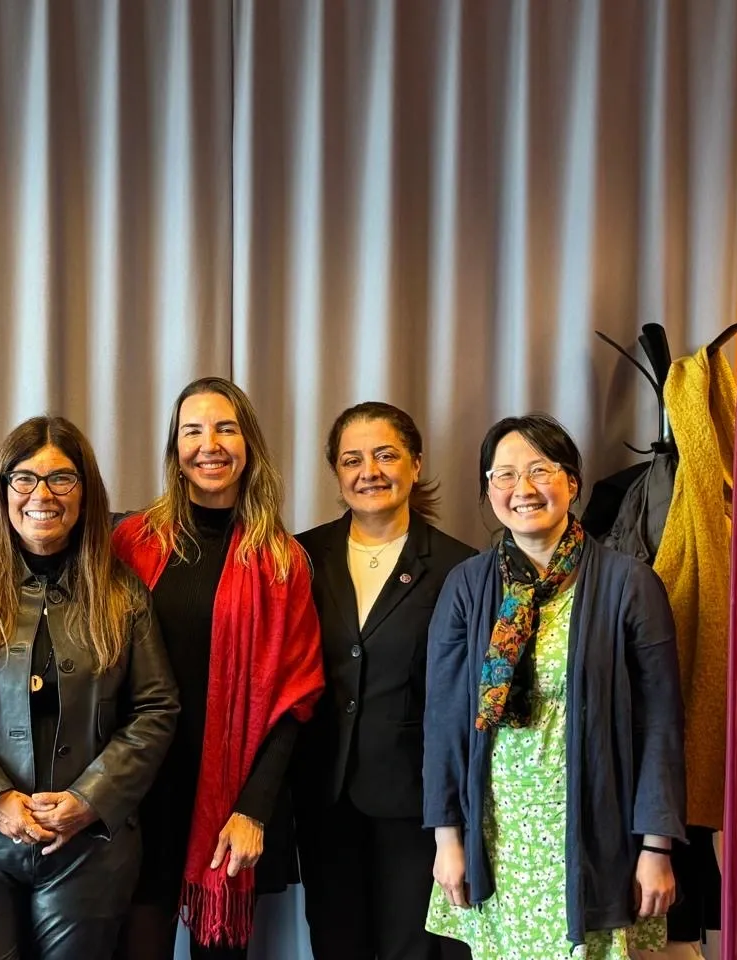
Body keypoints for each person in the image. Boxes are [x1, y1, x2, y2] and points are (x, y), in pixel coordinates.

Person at [0, 415, 178, 958]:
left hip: (89, 844)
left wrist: (89, 801)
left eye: (62, 479)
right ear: (3, 490)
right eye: (24, 479)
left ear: (85, 493)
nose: (42, 495)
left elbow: (156, 707)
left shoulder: (122, 591)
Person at [423, 413, 686, 959]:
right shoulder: (468, 587)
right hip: (498, 834)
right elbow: (445, 719)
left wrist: (656, 847)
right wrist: (448, 837)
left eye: (539, 470)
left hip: (597, 832)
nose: (522, 489)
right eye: (504, 475)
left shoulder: (629, 583)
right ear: (488, 489)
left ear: (571, 481)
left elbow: (661, 723)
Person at [112, 376, 325, 959]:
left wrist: (253, 809)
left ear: (248, 443)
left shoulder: (283, 559)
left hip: (232, 797)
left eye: (226, 428)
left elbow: (296, 697)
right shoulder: (131, 542)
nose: (210, 444)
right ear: (175, 452)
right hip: (140, 793)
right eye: (193, 430)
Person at [293, 402, 474, 960]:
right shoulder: (299, 555)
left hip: (416, 802)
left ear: (415, 464)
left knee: (410, 949)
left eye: (385, 454)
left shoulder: (458, 567)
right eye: (352, 460)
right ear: (336, 474)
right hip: (322, 793)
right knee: (335, 943)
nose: (368, 470)